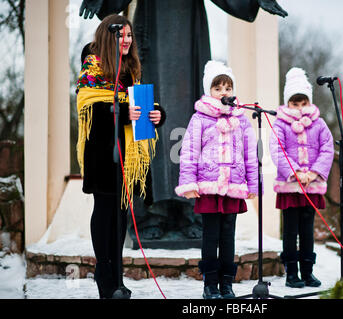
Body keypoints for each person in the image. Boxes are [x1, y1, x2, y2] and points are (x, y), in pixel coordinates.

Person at [79, 0, 288, 244]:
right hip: (152, 34)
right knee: (150, 115)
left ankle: (190, 212)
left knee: (192, 117)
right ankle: (151, 214)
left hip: (189, 34)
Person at [76, 14, 165, 299]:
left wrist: (157, 114)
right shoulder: (92, 65)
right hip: (102, 153)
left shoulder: (131, 68)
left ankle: (118, 279)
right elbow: (89, 108)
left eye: (129, 36)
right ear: (107, 35)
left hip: (127, 155)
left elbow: (138, 103)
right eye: (121, 35)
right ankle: (105, 278)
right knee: (104, 214)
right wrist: (121, 112)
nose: (126, 40)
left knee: (121, 217)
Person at [175, 60, 258, 299]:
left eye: (228, 88)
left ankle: (227, 283)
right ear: (209, 91)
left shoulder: (241, 119)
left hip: (233, 186)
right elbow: (189, 152)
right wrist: (189, 183)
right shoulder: (200, 118)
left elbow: (250, 154)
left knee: (228, 235)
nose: (224, 92)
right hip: (209, 187)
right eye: (218, 88)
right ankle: (210, 284)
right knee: (210, 236)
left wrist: (253, 185)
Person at [269, 68, 334, 288]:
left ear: (309, 102)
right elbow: (277, 149)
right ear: (288, 103)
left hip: (312, 185)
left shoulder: (319, 124)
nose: (298, 108)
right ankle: (291, 273)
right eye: (294, 103)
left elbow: (327, 150)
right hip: (290, 186)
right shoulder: (280, 124)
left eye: (303, 103)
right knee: (290, 231)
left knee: (307, 231)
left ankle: (308, 271)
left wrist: (314, 173)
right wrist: (296, 172)